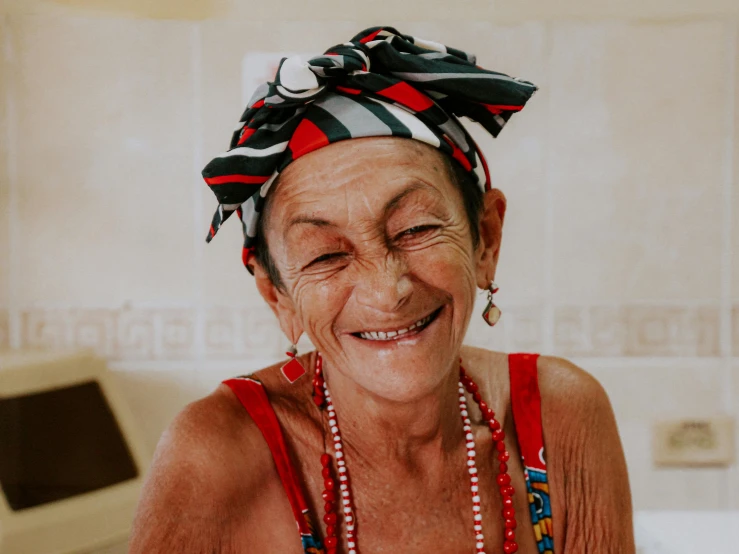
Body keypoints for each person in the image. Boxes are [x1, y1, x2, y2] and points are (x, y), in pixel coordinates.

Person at [129, 26, 634, 554]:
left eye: (415, 229)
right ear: (276, 295)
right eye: (326, 255)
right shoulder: (217, 453)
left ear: (485, 238)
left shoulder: (560, 416)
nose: (387, 290)